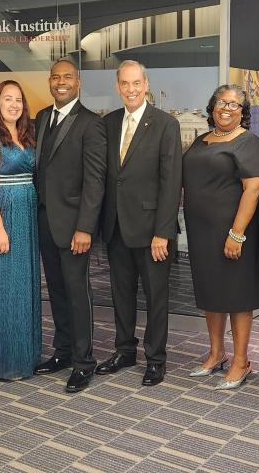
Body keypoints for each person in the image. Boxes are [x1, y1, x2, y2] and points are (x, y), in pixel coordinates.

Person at [96, 60, 181, 386]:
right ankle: (124, 349)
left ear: (146, 85)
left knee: (156, 297)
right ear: (118, 87)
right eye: (124, 84)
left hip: (151, 231)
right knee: (121, 294)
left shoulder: (164, 124)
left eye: (136, 83)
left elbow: (171, 182)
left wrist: (163, 232)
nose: (131, 89)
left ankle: (156, 359)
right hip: (117, 226)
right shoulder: (110, 122)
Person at [183, 84, 259, 390]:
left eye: (234, 105)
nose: (226, 108)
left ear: (243, 113)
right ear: (212, 107)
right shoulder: (201, 141)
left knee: (237, 295)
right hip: (202, 234)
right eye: (221, 102)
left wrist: (237, 233)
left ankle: (241, 361)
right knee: (212, 295)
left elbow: (254, 188)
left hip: (234, 232)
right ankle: (216, 353)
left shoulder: (248, 142)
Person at [33, 60, 107, 392]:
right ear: (50, 82)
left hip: (74, 226)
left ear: (78, 82)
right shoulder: (42, 118)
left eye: (67, 77)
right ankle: (62, 352)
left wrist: (85, 228)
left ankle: (83, 361)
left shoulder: (91, 124)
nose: (60, 82)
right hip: (45, 221)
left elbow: (95, 183)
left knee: (78, 293)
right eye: (55, 77)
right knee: (58, 291)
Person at [0, 80, 41, 380]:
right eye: (7, 99)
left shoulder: (26, 133)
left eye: (18, 99)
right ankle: (0, 359)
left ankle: (24, 354)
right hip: (0, 216)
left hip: (26, 215)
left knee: (22, 284)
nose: (13, 104)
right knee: (2, 286)